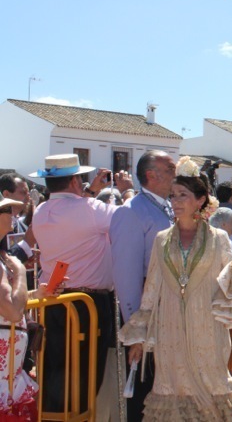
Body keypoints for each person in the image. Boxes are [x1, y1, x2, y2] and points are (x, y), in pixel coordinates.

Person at [118, 157, 232, 420]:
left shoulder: (218, 238)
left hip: (207, 328)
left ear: (200, 200)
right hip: (169, 330)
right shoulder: (161, 240)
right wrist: (139, 337)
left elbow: (230, 282)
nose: (175, 201)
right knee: (172, 391)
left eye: (183, 195)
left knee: (214, 388)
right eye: (173, 195)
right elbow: (151, 290)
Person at [30, 154, 133, 414]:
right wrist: (127, 191)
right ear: (76, 181)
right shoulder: (91, 210)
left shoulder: (41, 211)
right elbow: (128, 220)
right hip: (88, 305)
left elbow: (75, 212)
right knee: (86, 374)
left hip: (53, 301)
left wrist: (90, 191)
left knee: (54, 369)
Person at [109, 150, 176, 420]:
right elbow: (126, 275)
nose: (176, 175)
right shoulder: (131, 212)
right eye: (170, 170)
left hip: (170, 312)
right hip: (147, 315)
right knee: (143, 390)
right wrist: (135, 329)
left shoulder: (168, 206)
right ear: (151, 175)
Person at [1, 193, 64, 419]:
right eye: (5, 210)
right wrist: (19, 272)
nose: (12, 214)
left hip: (10, 373)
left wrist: (36, 294)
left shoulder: (3, 256)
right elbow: (11, 311)